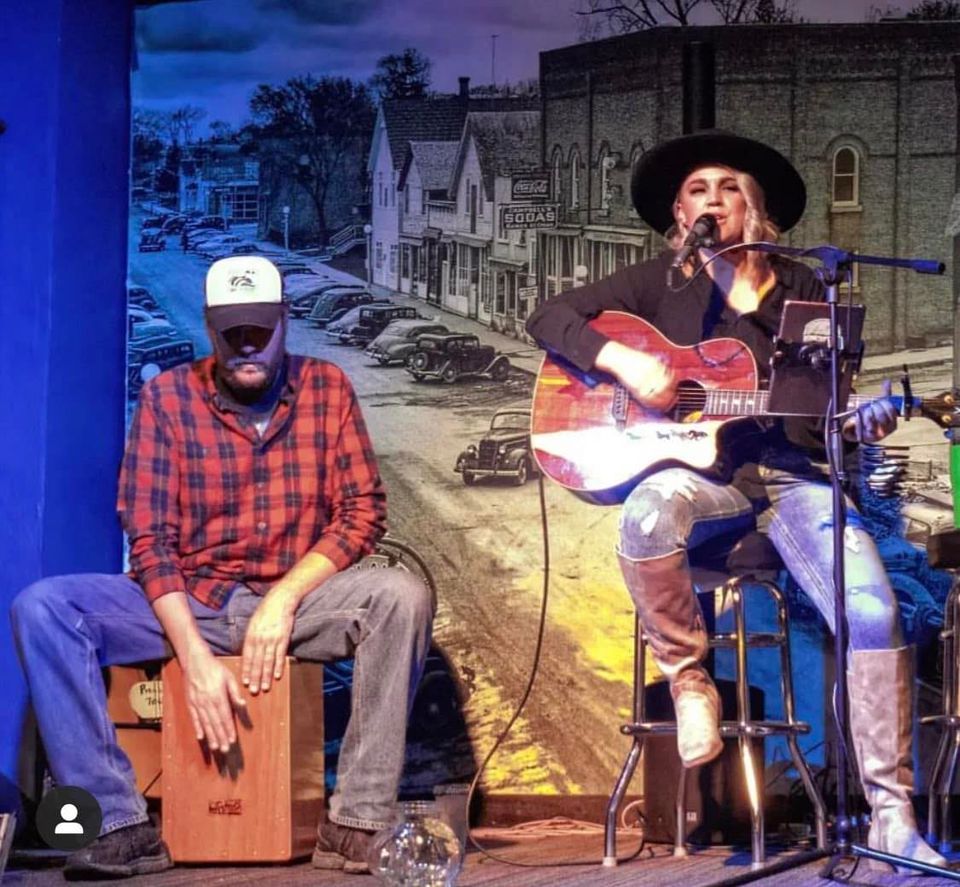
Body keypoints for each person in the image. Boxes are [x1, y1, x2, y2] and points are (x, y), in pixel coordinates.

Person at [525, 130, 945, 871]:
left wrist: (862, 417)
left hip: (791, 475)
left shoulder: (807, 289)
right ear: (678, 216)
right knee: (648, 509)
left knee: (875, 610)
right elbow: (549, 317)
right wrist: (622, 359)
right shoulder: (660, 283)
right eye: (696, 190)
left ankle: (891, 818)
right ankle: (690, 683)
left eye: (728, 187)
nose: (711, 199)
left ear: (758, 213)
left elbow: (820, 418)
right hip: (703, 480)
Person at [11, 256, 433, 879]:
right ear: (210, 328)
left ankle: (355, 824)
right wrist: (196, 661)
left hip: (296, 603)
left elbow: (362, 512)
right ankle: (121, 827)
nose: (247, 346)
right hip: (194, 602)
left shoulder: (328, 388)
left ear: (284, 321)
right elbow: (150, 539)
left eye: (260, 330)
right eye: (233, 333)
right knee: (42, 608)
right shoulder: (165, 398)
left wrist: (283, 602)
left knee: (400, 595)